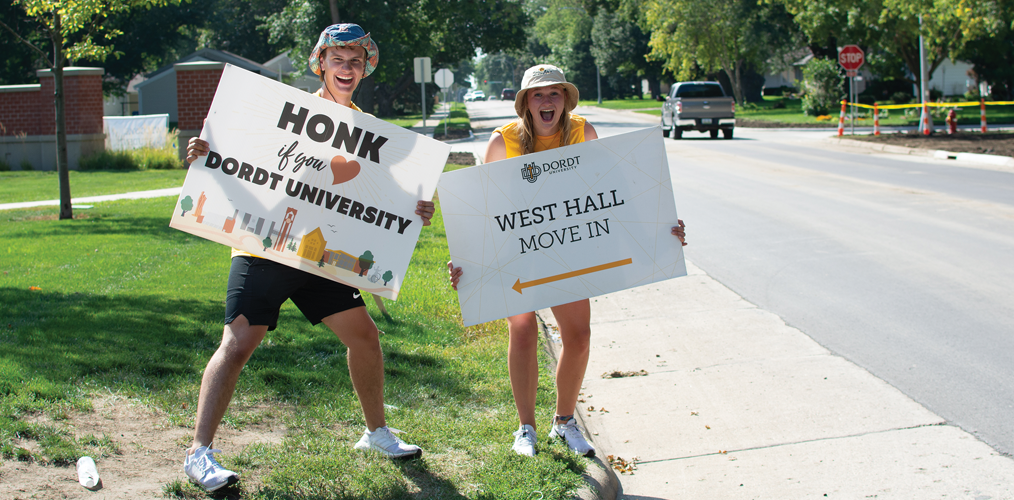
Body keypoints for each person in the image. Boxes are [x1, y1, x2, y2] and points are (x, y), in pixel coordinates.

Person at [181, 24, 434, 492]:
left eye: (356, 61)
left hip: (322, 254)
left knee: (365, 337)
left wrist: (416, 209)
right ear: (321, 64)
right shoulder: (284, 112)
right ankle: (199, 454)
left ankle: (376, 433)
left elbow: (383, 194)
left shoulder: (366, 128)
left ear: (364, 70)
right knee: (237, 346)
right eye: (338, 59)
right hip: (267, 245)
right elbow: (238, 160)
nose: (347, 68)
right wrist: (203, 153)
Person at [447, 64, 687, 458]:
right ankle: (526, 429)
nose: (547, 101)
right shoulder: (501, 142)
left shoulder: (581, 132)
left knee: (579, 337)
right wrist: (468, 263)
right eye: (538, 95)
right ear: (525, 102)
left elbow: (612, 192)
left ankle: (565, 423)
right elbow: (482, 210)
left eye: (554, 93)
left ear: (565, 100)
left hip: (566, 249)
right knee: (522, 328)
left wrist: (662, 232)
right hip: (515, 251)